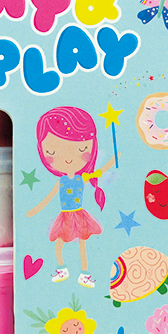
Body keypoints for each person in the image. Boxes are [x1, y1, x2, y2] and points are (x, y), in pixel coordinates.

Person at [27, 106, 117, 287]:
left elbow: (99, 172)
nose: (68, 158)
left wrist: (114, 160)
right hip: (66, 216)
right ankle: (62, 268)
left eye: (81, 149)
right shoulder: (61, 181)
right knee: (59, 244)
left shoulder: (81, 178)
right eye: (52, 152)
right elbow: (48, 198)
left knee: (82, 244)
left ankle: (84, 274)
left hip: (78, 214)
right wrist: (36, 209)